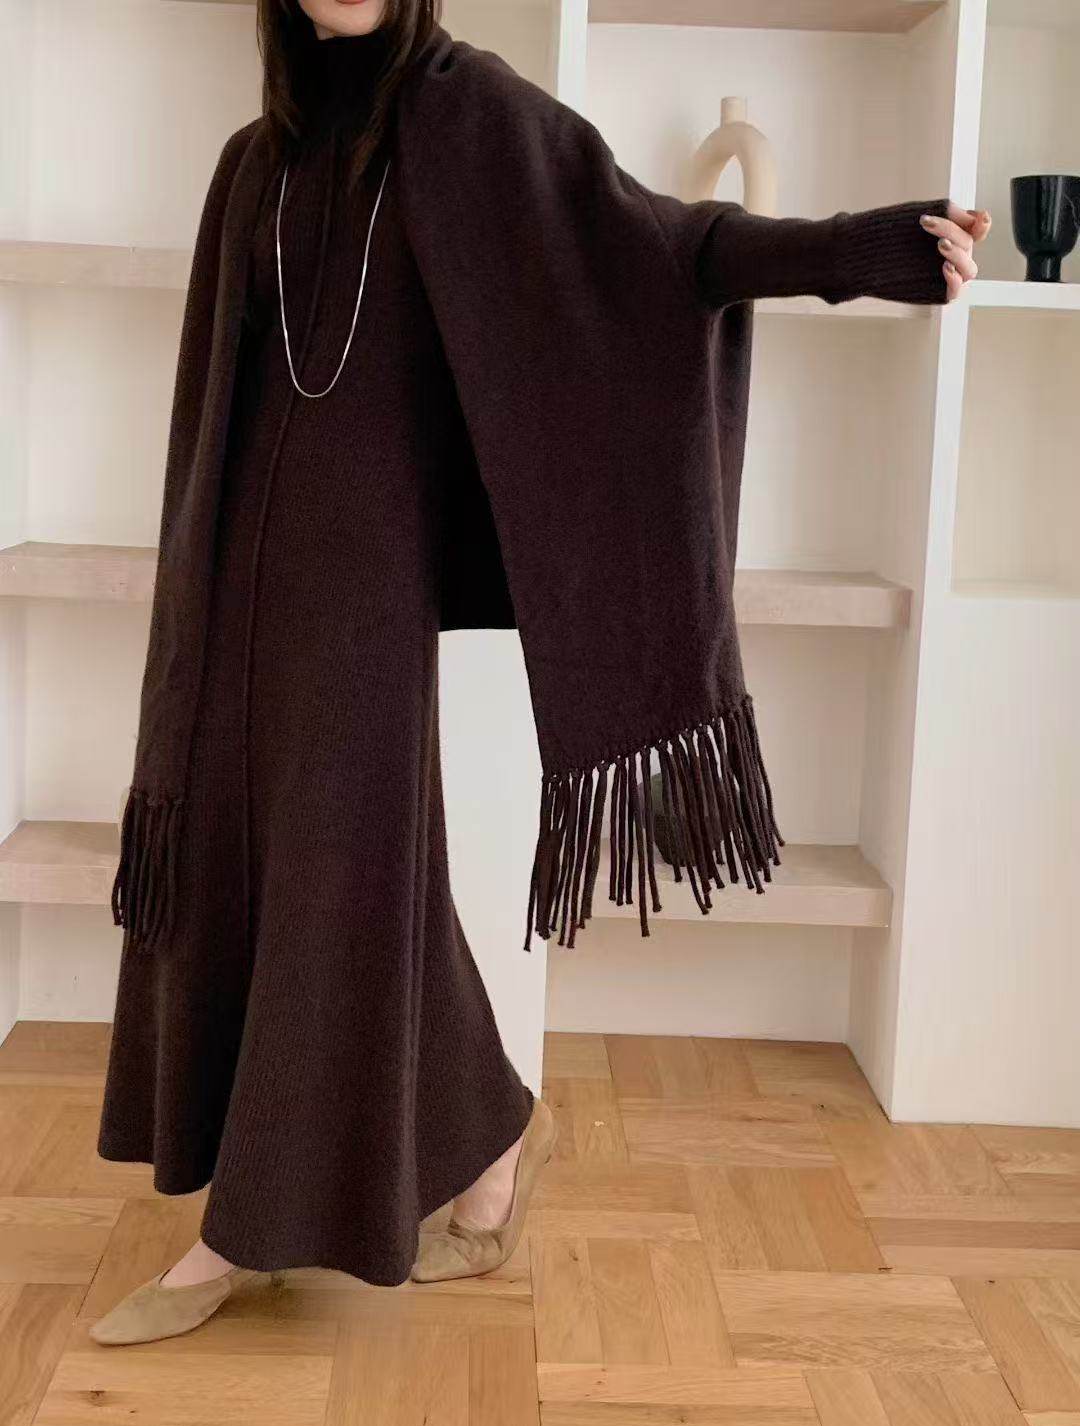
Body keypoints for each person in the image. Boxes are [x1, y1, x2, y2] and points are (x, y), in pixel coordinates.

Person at [89, 0, 987, 1347]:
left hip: (365, 591)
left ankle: (243, 1231)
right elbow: (211, 407)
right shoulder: (253, 163)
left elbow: (659, 245)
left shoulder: (464, 114)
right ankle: (497, 1145)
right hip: (232, 588)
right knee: (298, 866)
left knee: (338, 867)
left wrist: (861, 250)